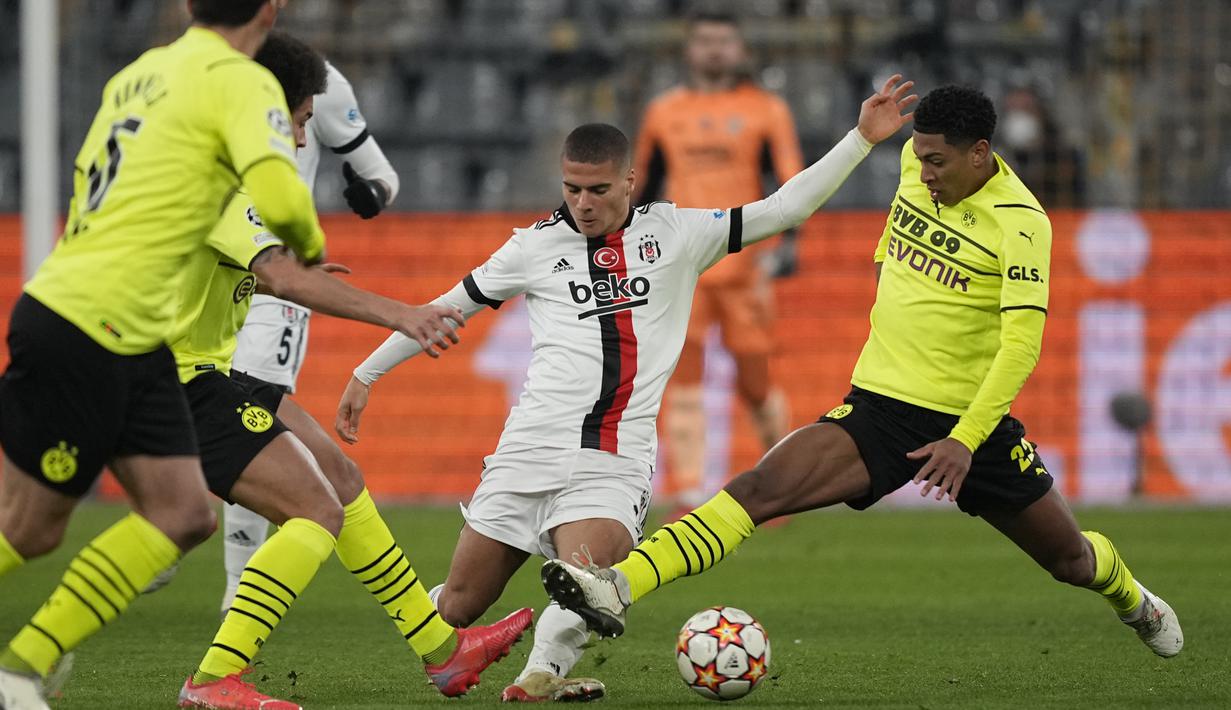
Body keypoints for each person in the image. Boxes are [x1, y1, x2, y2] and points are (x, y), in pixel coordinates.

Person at [541, 85, 1185, 662]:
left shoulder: (1021, 224)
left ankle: (1131, 594)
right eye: (920, 156)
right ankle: (618, 584)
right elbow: (895, 257)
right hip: (880, 405)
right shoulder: (913, 162)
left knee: (1069, 560)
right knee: (762, 487)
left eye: (938, 161)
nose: (923, 170)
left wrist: (965, 438)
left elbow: (1021, 348)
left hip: (971, 427)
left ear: (981, 152)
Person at [335, 75, 917, 701]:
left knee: (591, 581)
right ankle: (449, 639)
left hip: (612, 459)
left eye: (598, 190)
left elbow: (785, 208)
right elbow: (443, 309)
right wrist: (365, 373)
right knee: (455, 608)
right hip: (527, 450)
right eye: (572, 189)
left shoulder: (677, 233)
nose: (583, 203)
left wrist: (860, 138)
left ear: (629, 183)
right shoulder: (531, 247)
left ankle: (541, 675)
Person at [170, 32, 528, 709]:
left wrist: (283, 278)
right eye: (302, 120)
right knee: (313, 509)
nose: (305, 140)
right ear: (271, 109)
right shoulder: (224, 173)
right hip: (174, 380)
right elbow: (274, 269)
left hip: (205, 369)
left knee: (339, 478)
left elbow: (244, 268)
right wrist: (401, 314)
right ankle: (214, 678)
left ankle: (443, 652)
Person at [0, 2, 326, 707]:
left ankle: (20, 672)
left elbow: (92, 174)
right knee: (27, 525)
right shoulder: (239, 80)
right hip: (96, 320)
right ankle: (26, 670)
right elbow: (279, 195)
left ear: (186, 6)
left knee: (178, 515)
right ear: (269, 10)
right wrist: (309, 242)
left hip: (112, 321)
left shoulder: (139, 74)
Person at [221, 45, 402, 618]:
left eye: (301, 124)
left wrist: (369, 197)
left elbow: (383, 176)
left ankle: (236, 591)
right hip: (214, 263)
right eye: (296, 124)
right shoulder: (200, 76)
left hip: (281, 275)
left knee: (257, 417)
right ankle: (166, 519)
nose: (300, 138)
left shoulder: (323, 82)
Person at [634, 11, 804, 512]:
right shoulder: (664, 112)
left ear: (739, 50)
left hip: (745, 268)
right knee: (681, 381)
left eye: (723, 41)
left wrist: (789, 246)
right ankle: (688, 489)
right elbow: (643, 185)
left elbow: (789, 180)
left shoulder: (766, 110)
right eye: (704, 40)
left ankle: (785, 486)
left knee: (756, 385)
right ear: (689, 49)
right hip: (683, 268)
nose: (714, 50)